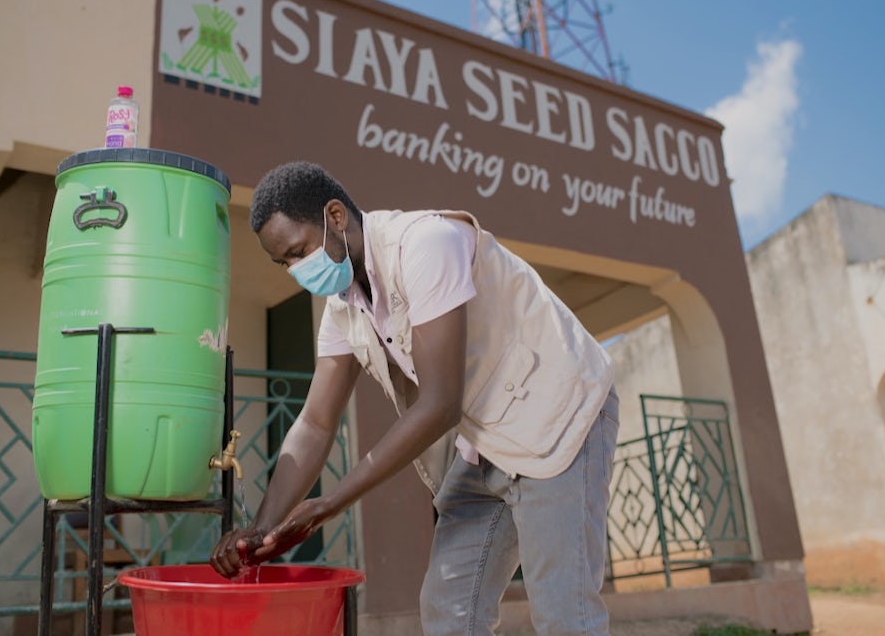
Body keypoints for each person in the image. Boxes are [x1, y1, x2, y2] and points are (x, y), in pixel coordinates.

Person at [210, 161, 620, 635]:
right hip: (487, 440)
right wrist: (261, 529)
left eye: (300, 251)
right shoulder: (343, 308)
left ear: (336, 217)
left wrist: (331, 504)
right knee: (450, 605)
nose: (297, 270)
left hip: (559, 417)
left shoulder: (425, 244)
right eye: (285, 263)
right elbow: (316, 424)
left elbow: (441, 403)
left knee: (565, 615)